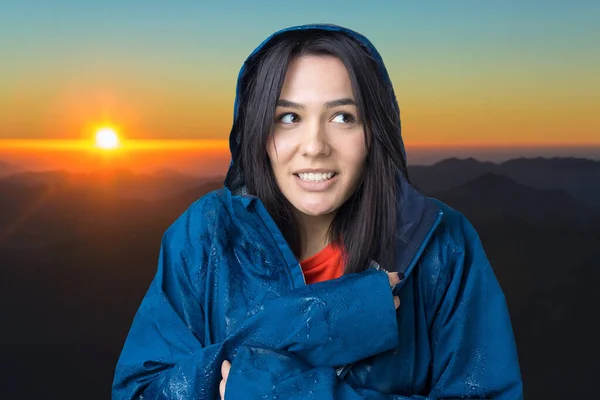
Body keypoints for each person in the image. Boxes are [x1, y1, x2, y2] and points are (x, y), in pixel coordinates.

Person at [112, 23, 523, 399]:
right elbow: (140, 390)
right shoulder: (204, 236)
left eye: (343, 117)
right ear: (258, 132)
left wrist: (286, 391)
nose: (314, 145)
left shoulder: (441, 245)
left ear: (373, 131)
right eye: (288, 117)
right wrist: (329, 319)